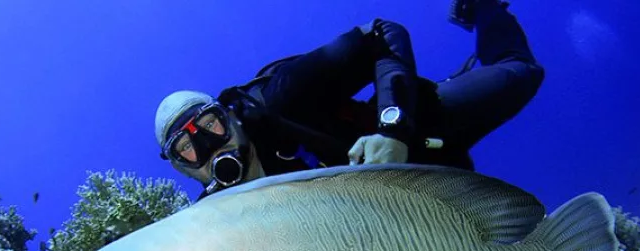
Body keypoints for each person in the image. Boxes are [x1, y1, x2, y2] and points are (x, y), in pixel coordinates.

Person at [154, 0, 544, 199]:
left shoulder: (277, 99)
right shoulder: (215, 219)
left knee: (523, 73)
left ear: (231, 116)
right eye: (188, 148)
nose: (209, 147)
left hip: (423, 126)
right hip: (408, 201)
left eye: (210, 126)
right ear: (185, 171)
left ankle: (483, 7)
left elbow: (379, 34)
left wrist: (392, 129)